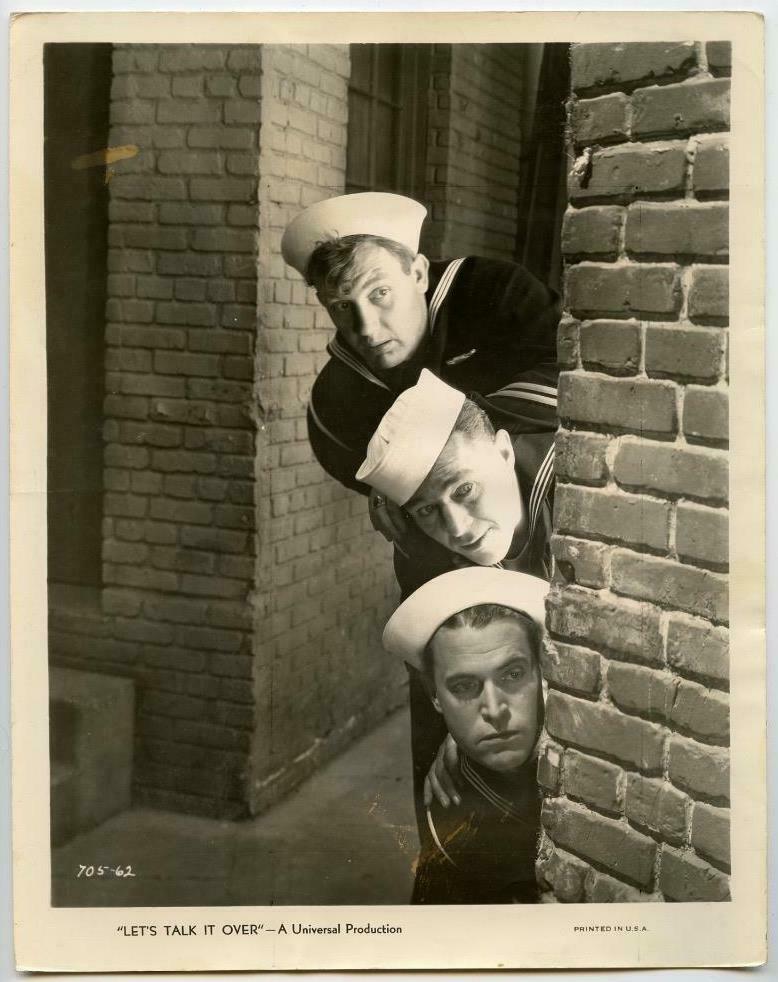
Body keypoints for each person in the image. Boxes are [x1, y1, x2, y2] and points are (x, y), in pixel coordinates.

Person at [280, 191, 560, 544]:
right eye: (342, 306)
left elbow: (578, 380)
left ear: (418, 274)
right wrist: (389, 489)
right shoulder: (333, 402)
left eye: (380, 293)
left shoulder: (495, 291)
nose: (366, 327)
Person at [383, 566, 548, 903]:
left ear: (543, 674)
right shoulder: (455, 821)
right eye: (464, 686)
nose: (494, 709)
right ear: (435, 698)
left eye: (513, 674)